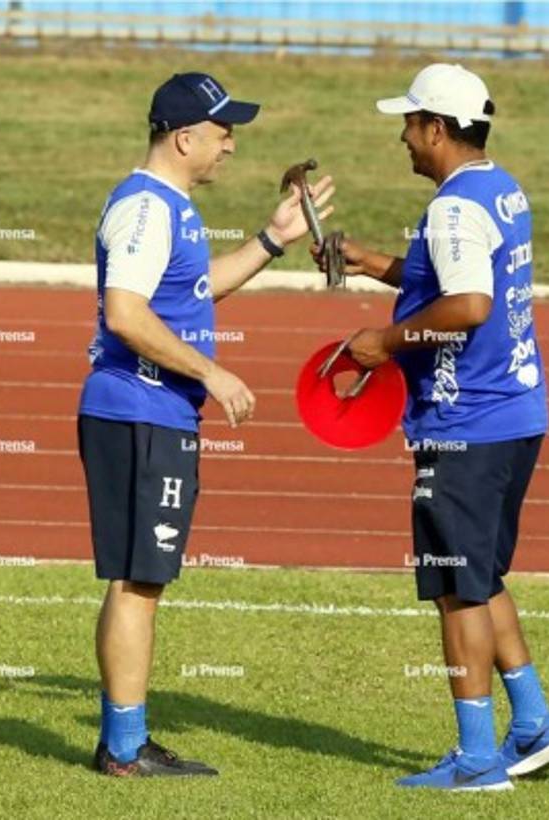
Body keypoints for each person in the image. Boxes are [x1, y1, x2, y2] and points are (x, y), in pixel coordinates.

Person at [315, 63, 549, 792]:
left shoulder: (454, 209)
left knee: (456, 588)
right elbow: (453, 281)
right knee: (482, 573)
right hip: (517, 413)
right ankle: (533, 723)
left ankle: (477, 758)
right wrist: (377, 265)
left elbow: (467, 306)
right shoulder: (501, 187)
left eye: (409, 123)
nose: (402, 137)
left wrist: (382, 341)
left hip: (467, 422)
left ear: (437, 127)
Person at [79, 71, 333, 777]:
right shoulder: (145, 208)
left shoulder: (171, 206)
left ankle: (126, 739)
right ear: (183, 137)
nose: (230, 146)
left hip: (156, 415)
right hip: (137, 412)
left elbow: (191, 288)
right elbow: (124, 313)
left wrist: (272, 240)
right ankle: (124, 748)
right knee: (138, 579)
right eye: (223, 133)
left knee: (143, 577)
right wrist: (210, 371)